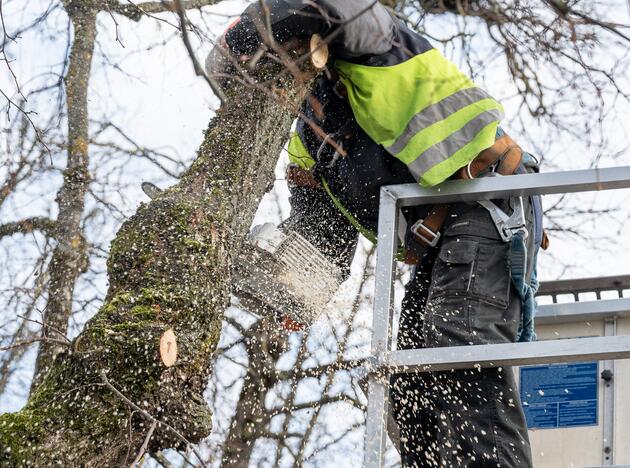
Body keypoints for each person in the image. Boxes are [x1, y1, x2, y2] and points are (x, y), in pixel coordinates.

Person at [207, 1, 546, 465]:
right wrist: (276, 283)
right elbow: (321, 245)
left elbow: (333, 7)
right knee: (407, 393)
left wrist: (246, 33)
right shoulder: (308, 141)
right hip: (436, 244)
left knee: (456, 348)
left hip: (487, 198)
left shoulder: (366, 43)